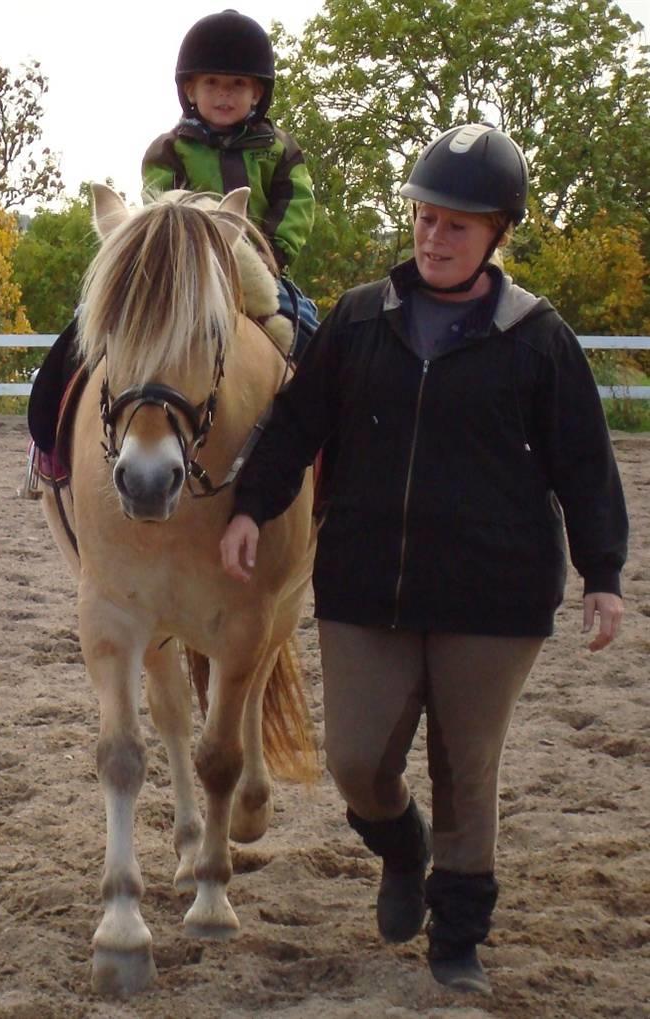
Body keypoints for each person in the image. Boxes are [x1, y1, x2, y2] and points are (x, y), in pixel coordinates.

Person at [219, 123, 628, 996]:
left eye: (458, 226)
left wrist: (603, 575)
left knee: (466, 767)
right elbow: (296, 428)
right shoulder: (363, 318)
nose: (435, 238)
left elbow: (585, 461)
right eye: (426, 218)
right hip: (368, 583)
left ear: (497, 236)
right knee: (356, 761)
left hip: (495, 595)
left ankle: (458, 937)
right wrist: (251, 507)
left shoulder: (536, 336)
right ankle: (401, 847)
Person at [141, 8, 318, 358]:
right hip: (187, 267)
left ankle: (315, 408)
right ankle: (69, 400)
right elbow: (159, 206)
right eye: (212, 83)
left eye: (237, 84)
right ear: (190, 90)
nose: (224, 94)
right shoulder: (169, 149)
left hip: (259, 269)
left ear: (257, 93)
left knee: (310, 330)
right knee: (95, 315)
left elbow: (296, 201)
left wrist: (273, 252)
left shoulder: (279, 148)